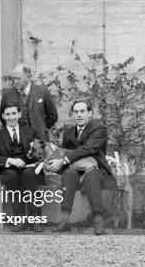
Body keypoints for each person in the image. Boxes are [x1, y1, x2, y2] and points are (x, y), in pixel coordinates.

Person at [46, 99, 112, 236]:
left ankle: (98, 222)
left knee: (91, 175)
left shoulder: (99, 128)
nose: (79, 115)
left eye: (82, 111)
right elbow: (64, 152)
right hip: (75, 171)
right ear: (73, 114)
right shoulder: (69, 132)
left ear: (90, 113)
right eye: (76, 112)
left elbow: (89, 148)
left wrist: (64, 159)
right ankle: (65, 220)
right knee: (69, 173)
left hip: (97, 170)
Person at [0, 103, 45, 232]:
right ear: (3, 116)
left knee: (28, 174)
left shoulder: (30, 132)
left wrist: (34, 151)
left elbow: (40, 154)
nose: (11, 117)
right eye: (7, 114)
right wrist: (10, 160)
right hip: (9, 170)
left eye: (14, 113)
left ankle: (34, 219)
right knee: (11, 176)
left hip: (29, 167)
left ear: (19, 114)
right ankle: (19, 218)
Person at [0, 63, 58, 141]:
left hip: (39, 140)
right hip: (16, 141)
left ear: (28, 77)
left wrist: (41, 127)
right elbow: (2, 117)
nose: (15, 81)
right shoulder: (7, 94)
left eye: (18, 78)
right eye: (14, 79)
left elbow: (53, 116)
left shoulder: (42, 91)